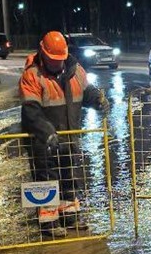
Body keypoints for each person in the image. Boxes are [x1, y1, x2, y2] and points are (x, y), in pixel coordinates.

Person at [20, 31, 109, 237]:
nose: (57, 64)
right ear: (43, 54)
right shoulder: (32, 75)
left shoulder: (76, 71)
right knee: (46, 181)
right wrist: (47, 132)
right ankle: (48, 223)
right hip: (43, 142)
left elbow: (86, 92)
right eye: (52, 60)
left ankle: (70, 216)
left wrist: (98, 100)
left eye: (59, 60)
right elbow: (31, 111)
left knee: (70, 178)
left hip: (69, 138)